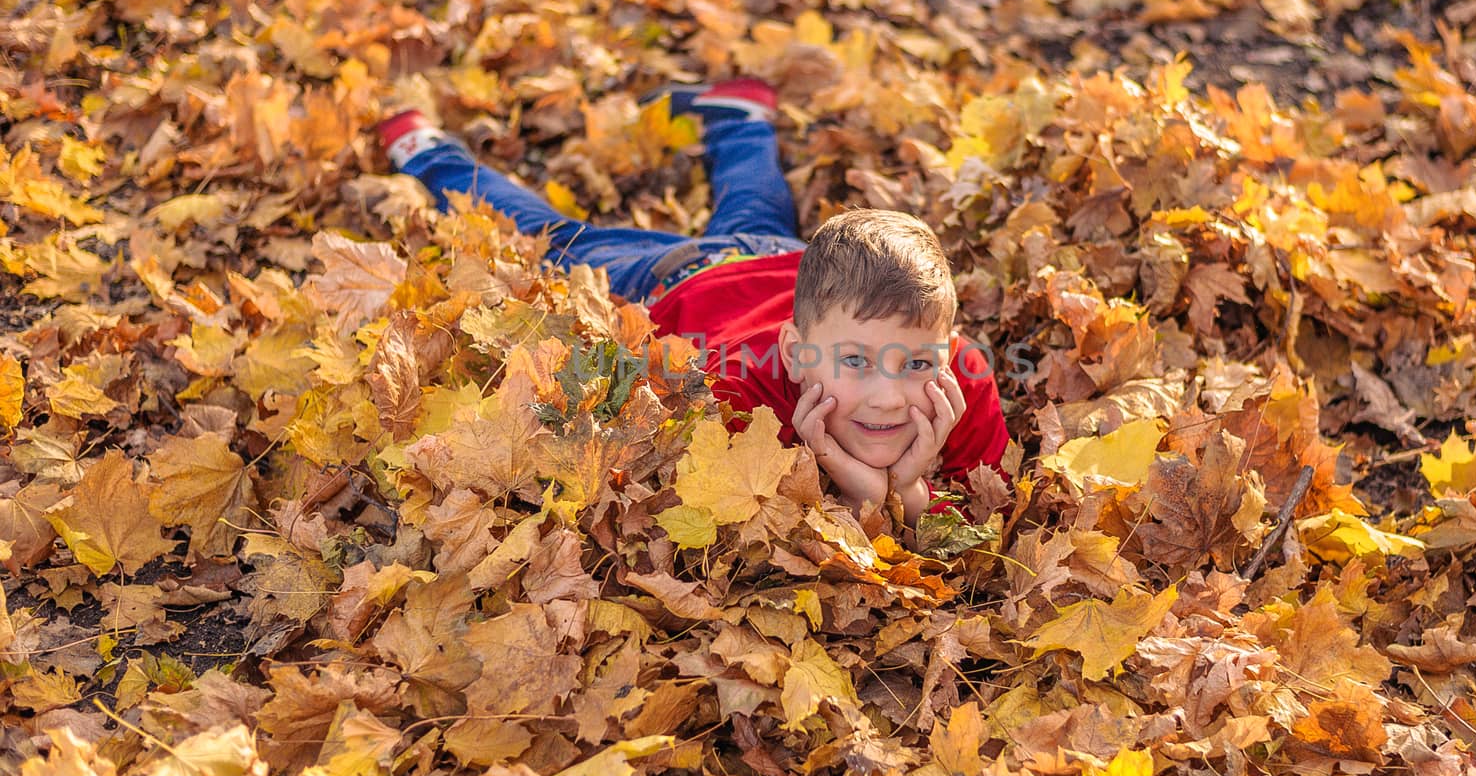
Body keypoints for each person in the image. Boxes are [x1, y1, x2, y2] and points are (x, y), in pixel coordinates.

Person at [376, 79, 1009, 524]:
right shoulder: (735, 390)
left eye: (917, 364)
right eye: (855, 363)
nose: (888, 397)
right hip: (685, 277)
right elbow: (733, 506)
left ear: (948, 350)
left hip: (784, 261)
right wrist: (859, 482)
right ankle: (434, 159)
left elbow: (990, 507)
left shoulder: (964, 379)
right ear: (796, 353)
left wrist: (905, 490)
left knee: (759, 208)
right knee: (555, 241)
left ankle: (738, 115)